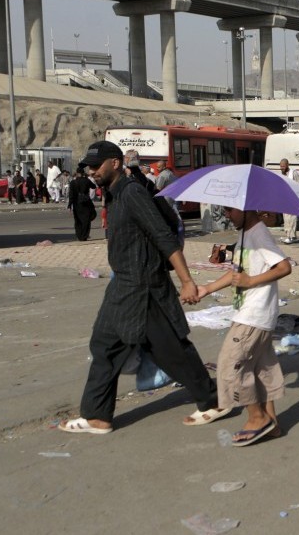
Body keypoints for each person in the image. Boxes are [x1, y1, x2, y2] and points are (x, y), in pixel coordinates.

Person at [59, 141, 228, 435]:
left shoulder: (133, 192)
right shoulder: (113, 195)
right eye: (88, 166)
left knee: (171, 349)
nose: (91, 171)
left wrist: (187, 281)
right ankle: (97, 416)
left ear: (115, 163)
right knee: (104, 345)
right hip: (123, 286)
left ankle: (213, 400)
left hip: (145, 288)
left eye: (96, 165)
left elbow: (164, 237)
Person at [196, 206, 292, 446]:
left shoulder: (259, 234)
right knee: (261, 369)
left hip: (254, 315)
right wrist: (207, 289)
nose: (228, 215)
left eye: (231, 210)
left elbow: (284, 267)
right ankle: (271, 423)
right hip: (249, 313)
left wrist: (251, 281)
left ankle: (256, 418)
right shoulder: (244, 234)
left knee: (231, 365)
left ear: (247, 209)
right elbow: (236, 272)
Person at [275, 158, 299, 243]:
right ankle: (289, 235)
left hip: (293, 198)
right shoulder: (282, 174)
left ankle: (291, 236)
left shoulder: (293, 173)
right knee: (286, 218)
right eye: (280, 166)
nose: (281, 168)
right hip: (285, 199)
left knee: (292, 218)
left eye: (283, 166)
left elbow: (298, 185)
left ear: (287, 165)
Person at [67, 166, 97, 241]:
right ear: (83, 173)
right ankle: (84, 236)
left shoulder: (73, 182)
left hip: (76, 203)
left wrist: (70, 204)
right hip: (86, 202)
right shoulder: (86, 180)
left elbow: (71, 194)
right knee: (86, 220)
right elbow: (93, 187)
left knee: (77, 220)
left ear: (76, 173)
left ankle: (79, 236)